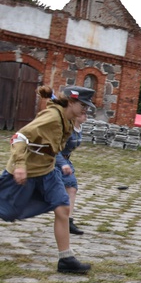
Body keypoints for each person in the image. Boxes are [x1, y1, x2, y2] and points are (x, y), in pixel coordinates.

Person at [0, 85, 95, 273]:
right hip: (25, 172)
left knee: (63, 208)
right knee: (7, 211)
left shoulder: (68, 118)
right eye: (83, 104)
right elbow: (18, 137)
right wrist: (19, 165)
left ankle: (66, 259)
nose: (86, 109)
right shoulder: (51, 117)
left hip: (48, 172)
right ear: (71, 102)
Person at [55, 111, 87, 235]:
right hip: (55, 161)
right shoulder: (66, 128)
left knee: (72, 188)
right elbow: (55, 147)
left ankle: (68, 221)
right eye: (82, 113)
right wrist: (62, 163)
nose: (85, 115)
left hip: (66, 161)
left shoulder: (79, 128)